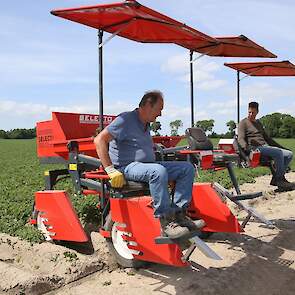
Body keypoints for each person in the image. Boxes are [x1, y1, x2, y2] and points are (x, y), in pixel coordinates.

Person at [94, 90, 205, 239]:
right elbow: (99, 140)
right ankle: (165, 222)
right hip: (128, 166)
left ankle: (178, 215)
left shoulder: (145, 124)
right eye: (159, 109)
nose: (160, 114)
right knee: (157, 171)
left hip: (147, 165)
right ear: (147, 105)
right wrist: (110, 170)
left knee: (187, 169)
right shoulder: (125, 119)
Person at [238, 101, 294, 191]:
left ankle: (276, 178)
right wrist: (247, 149)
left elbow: (268, 139)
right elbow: (240, 139)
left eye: (253, 112)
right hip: (255, 148)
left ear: (257, 112)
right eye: (249, 112)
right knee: (278, 153)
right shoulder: (243, 123)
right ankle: (280, 180)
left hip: (264, 147)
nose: (251, 114)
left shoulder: (258, 123)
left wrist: (283, 147)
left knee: (289, 154)